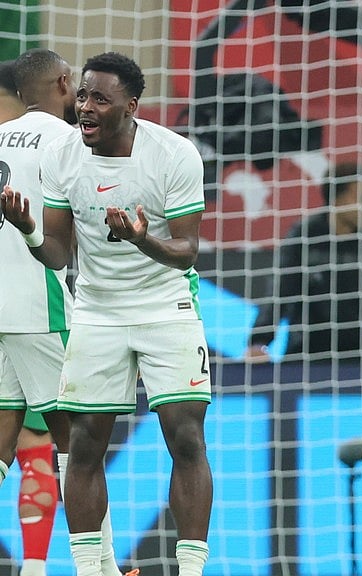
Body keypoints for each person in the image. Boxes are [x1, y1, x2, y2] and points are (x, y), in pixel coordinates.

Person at [0, 51, 213, 576]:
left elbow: (188, 250)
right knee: (82, 443)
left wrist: (144, 241)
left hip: (167, 304)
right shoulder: (61, 153)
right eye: (83, 95)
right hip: (93, 310)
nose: (86, 107)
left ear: (131, 106)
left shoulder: (175, 154)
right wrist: (26, 229)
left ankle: (190, 570)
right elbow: (55, 252)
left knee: (185, 435)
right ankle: (88, 570)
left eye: (101, 99)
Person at [0, 50, 123, 576]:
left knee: (5, 436)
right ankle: (101, 568)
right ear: (65, 83)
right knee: (79, 443)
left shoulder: (1, 134)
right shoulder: (67, 141)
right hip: (38, 304)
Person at [246, 161, 362, 362]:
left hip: (361, 349)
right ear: (337, 200)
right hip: (306, 349)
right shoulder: (304, 236)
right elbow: (280, 292)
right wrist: (259, 342)